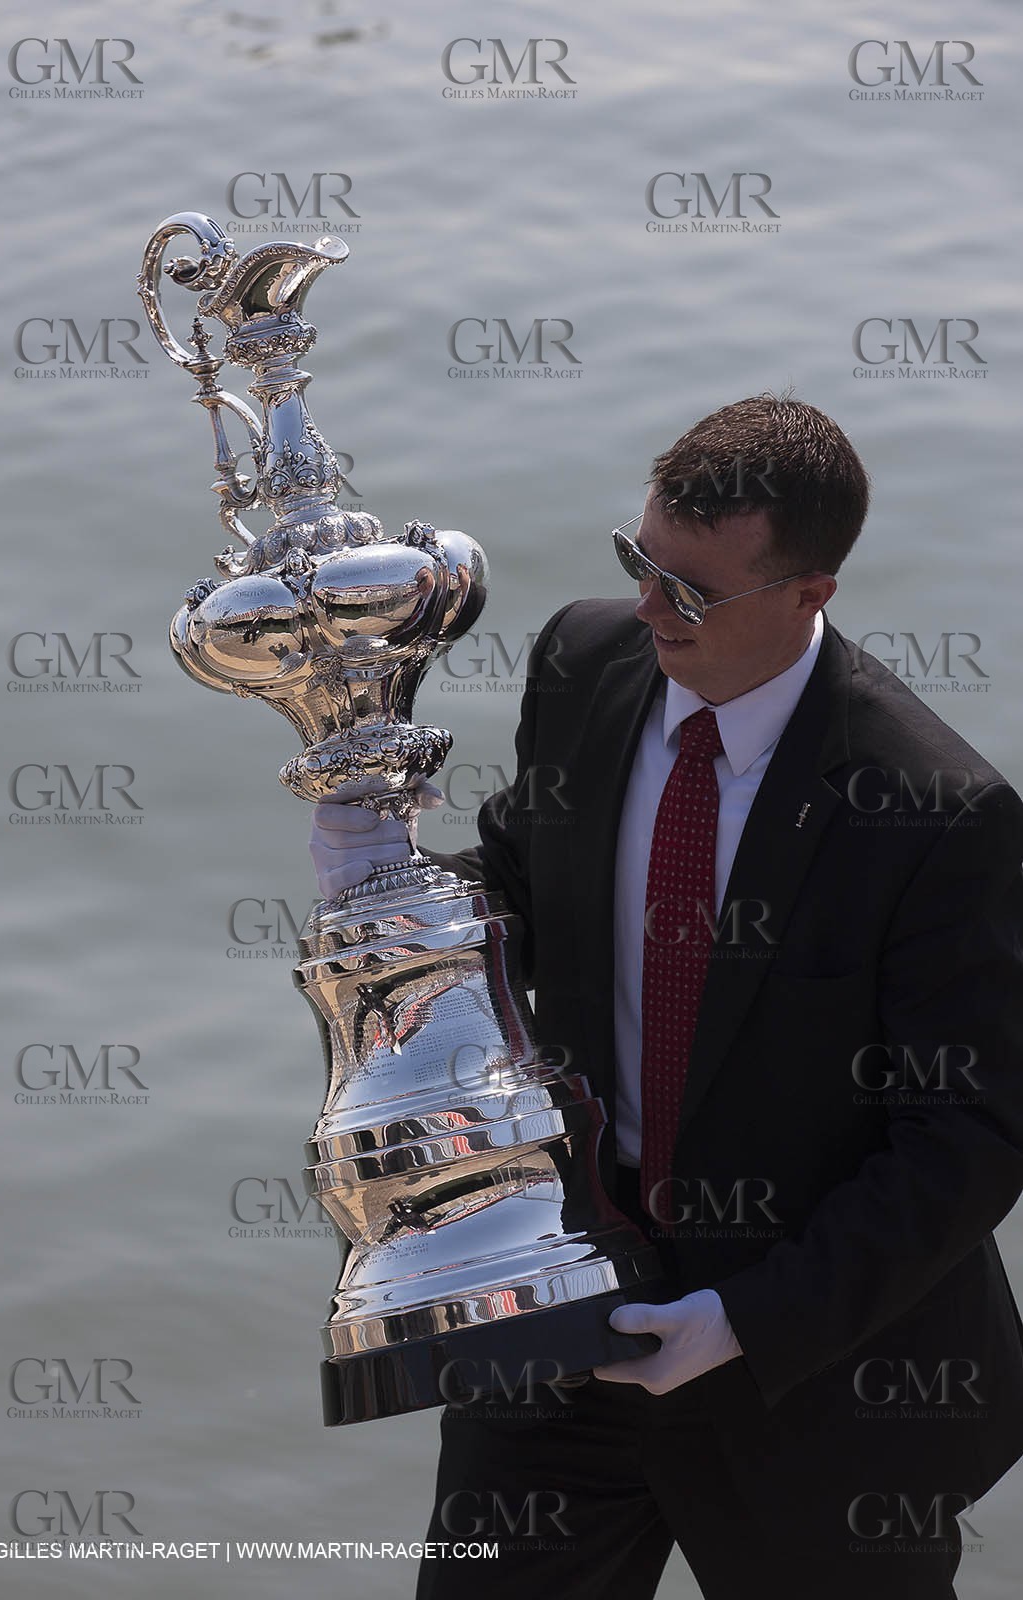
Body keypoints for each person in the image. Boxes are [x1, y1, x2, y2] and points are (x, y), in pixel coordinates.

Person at [308, 395, 1023, 1599]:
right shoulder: (586, 662)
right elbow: (526, 889)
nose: (650, 608)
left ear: (809, 593)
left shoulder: (935, 813)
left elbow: (967, 1138)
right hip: (554, 1318)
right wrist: (384, 879)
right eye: (639, 563)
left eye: (689, 591)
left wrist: (743, 1321)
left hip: (813, 1384)